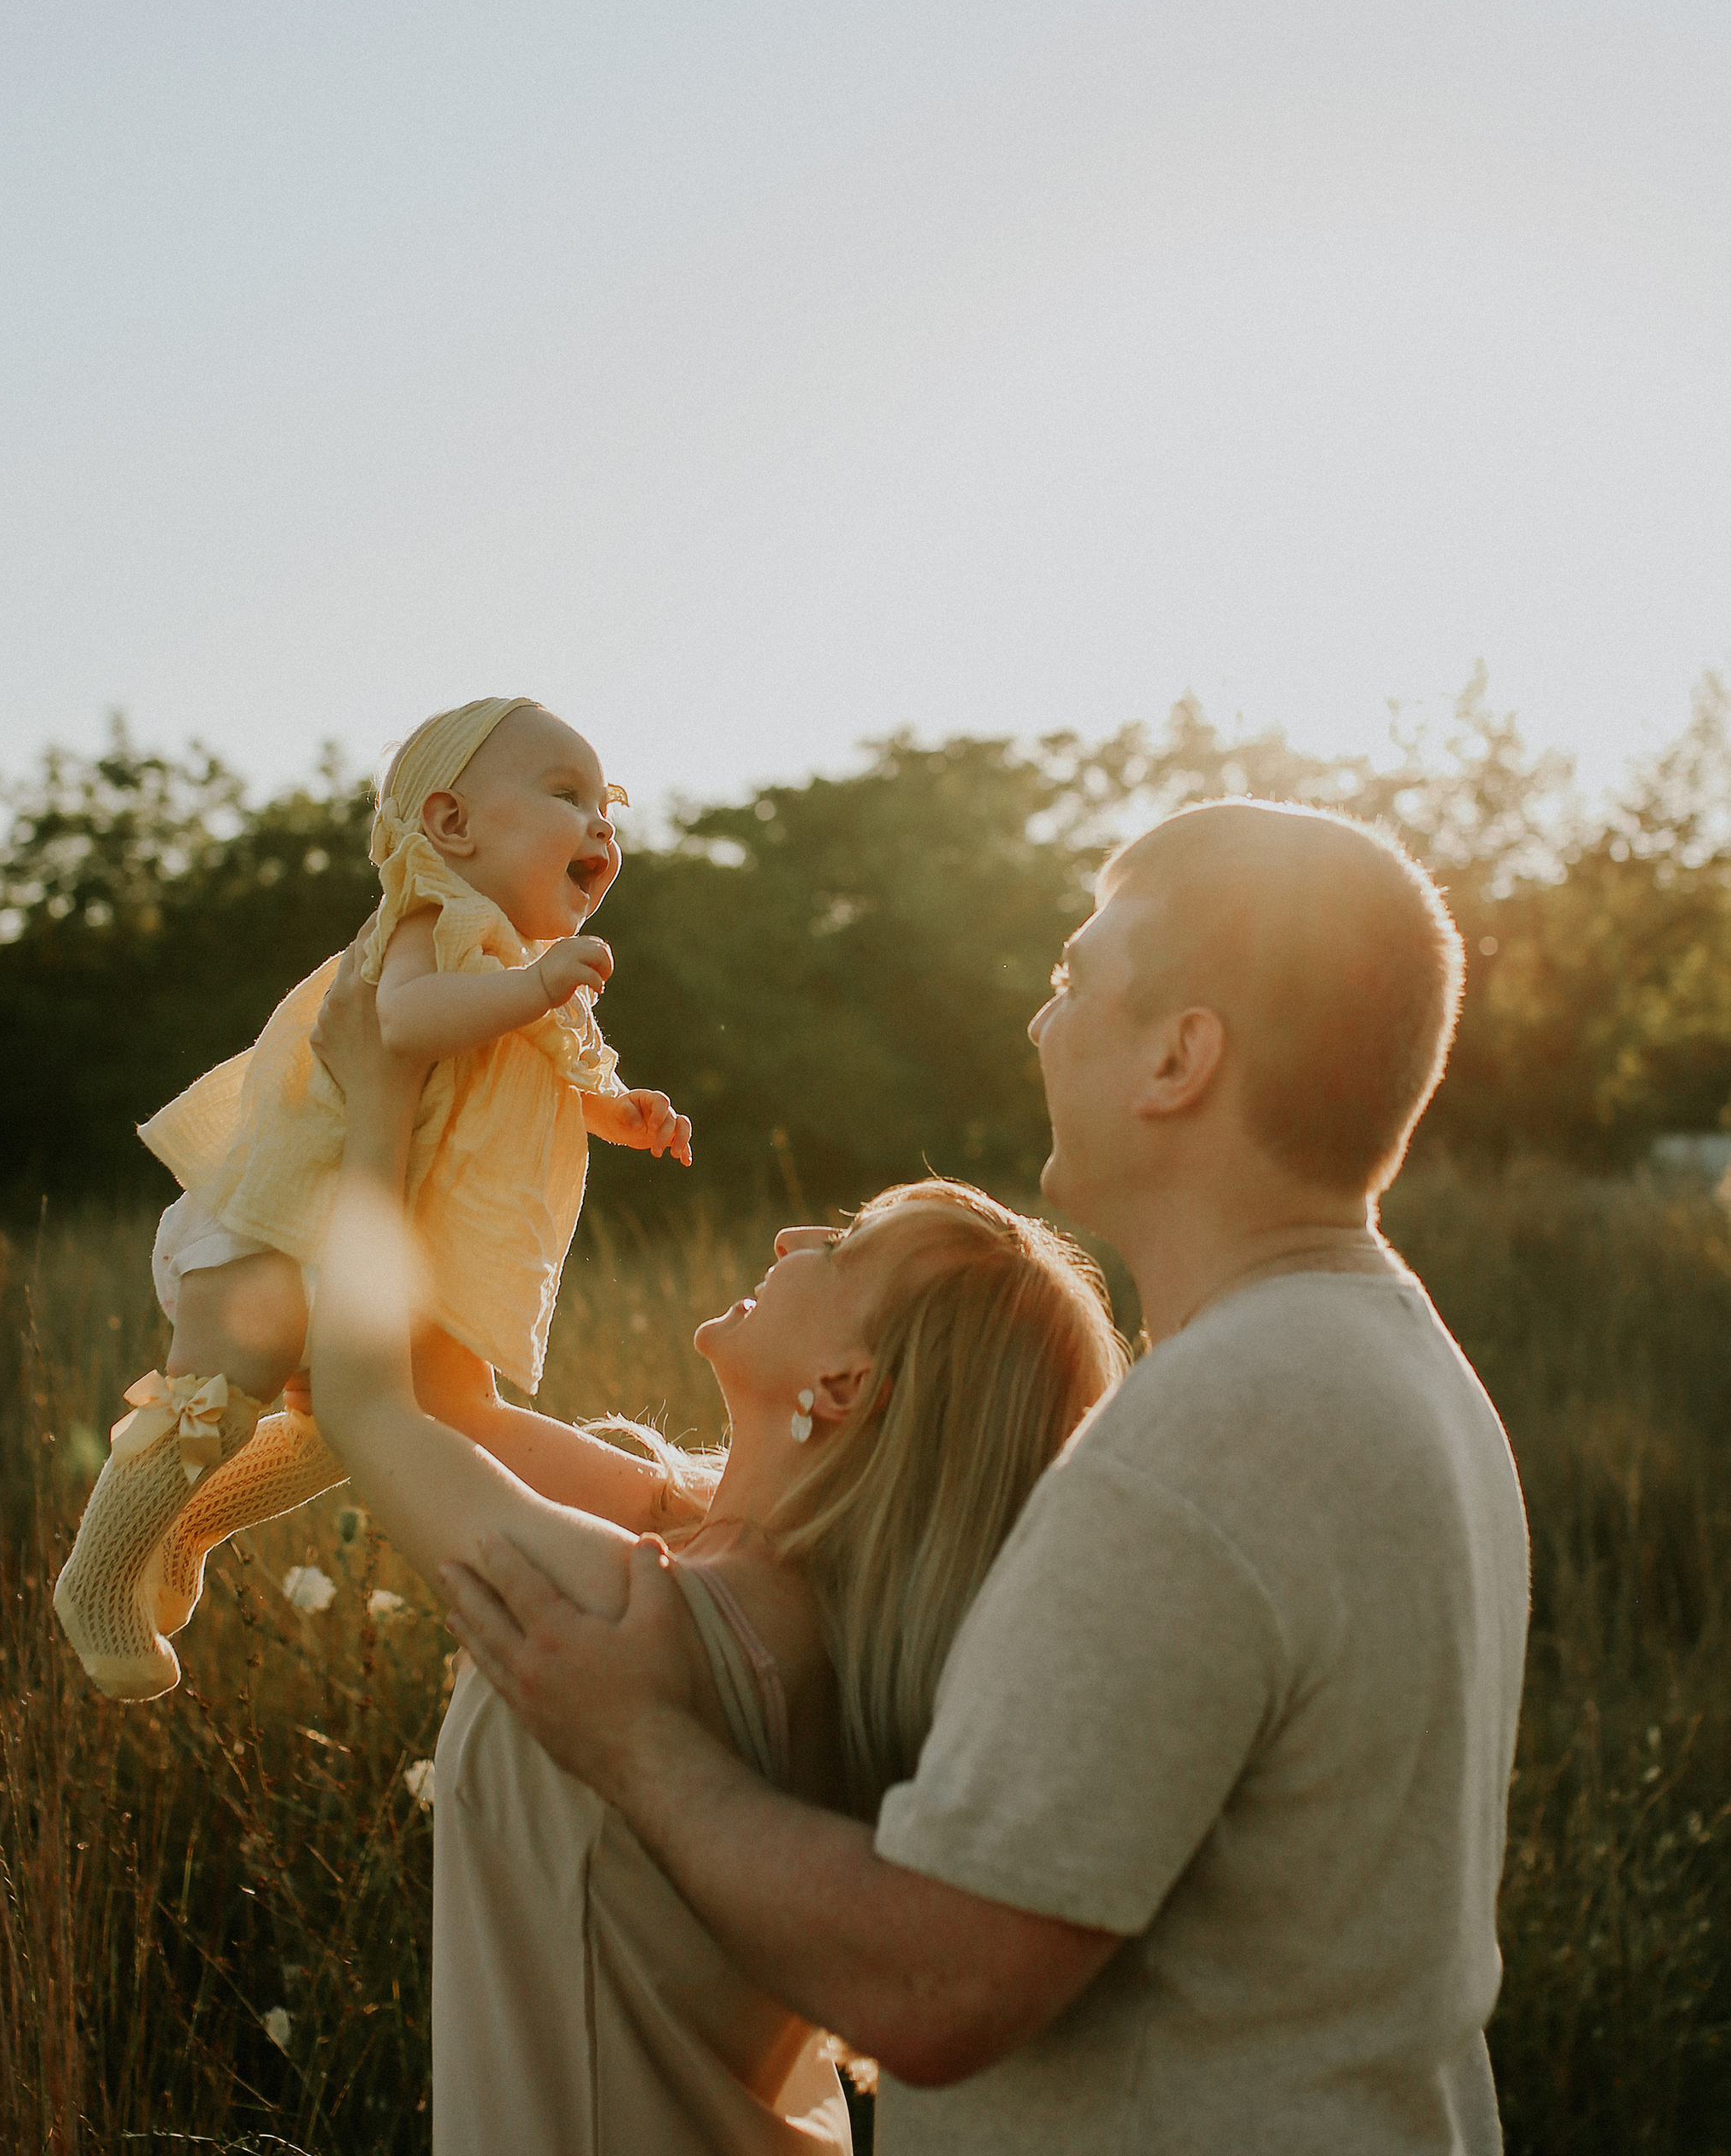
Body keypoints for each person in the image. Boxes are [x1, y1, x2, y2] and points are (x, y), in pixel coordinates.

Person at [443, 798, 1534, 2154]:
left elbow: (942, 1984)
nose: (1041, 1019)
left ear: (1180, 1058)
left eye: (1078, 979)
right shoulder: (1402, 1369)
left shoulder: (1199, 1442)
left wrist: (639, 1745)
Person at [300, 941, 1129, 2153]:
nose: (796, 1238)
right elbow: (451, 1404)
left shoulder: (627, 1614)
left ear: (844, 1383)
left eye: (841, 1252)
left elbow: (369, 1405)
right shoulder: (763, 1578)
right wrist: (503, 1089)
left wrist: (378, 1095)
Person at [56, 697, 692, 1701]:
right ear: (450, 826)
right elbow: (405, 1019)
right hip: (280, 1215)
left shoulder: (512, 966)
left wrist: (622, 1113)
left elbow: (559, 1073)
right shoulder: (433, 918)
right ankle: (93, 1584)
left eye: (608, 804)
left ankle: (187, 1524)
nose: (603, 825)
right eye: (567, 795)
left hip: (360, 1237)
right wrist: (536, 991)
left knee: (346, 1432)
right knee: (224, 1386)